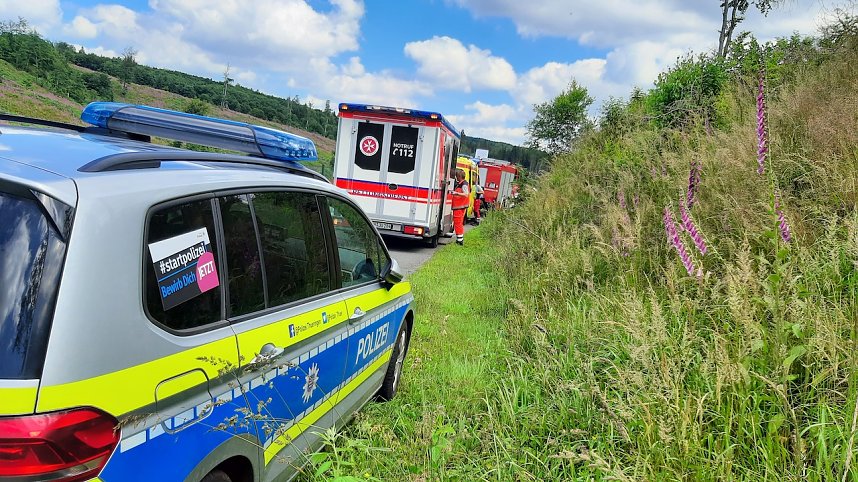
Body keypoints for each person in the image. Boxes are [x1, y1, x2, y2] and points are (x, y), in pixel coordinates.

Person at [451, 168, 470, 245]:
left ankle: (459, 240)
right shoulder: (462, 183)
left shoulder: (463, 184)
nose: (456, 177)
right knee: (459, 223)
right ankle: (459, 239)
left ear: (459, 176)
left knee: (458, 223)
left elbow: (466, 194)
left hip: (459, 207)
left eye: (456, 176)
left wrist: (456, 193)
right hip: (460, 206)